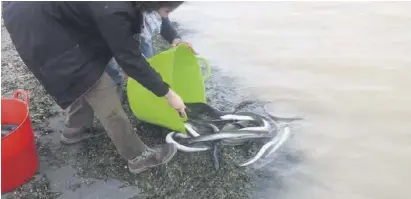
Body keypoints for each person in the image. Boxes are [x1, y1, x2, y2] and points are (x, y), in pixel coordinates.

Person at [2, 1, 187, 174]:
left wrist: (133, 58)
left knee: (85, 70)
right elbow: (129, 57)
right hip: (35, 20)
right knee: (95, 82)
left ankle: (76, 129)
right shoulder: (115, 9)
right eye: (168, 10)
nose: (166, 15)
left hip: (40, 12)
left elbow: (125, 39)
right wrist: (167, 93)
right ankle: (138, 157)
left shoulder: (125, 6)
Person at [106, 9, 195, 96]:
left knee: (147, 64)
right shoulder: (114, 12)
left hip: (140, 24)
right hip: (107, 26)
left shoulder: (154, 10)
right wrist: (129, 64)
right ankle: (116, 82)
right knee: (109, 59)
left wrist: (175, 37)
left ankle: (146, 87)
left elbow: (163, 13)